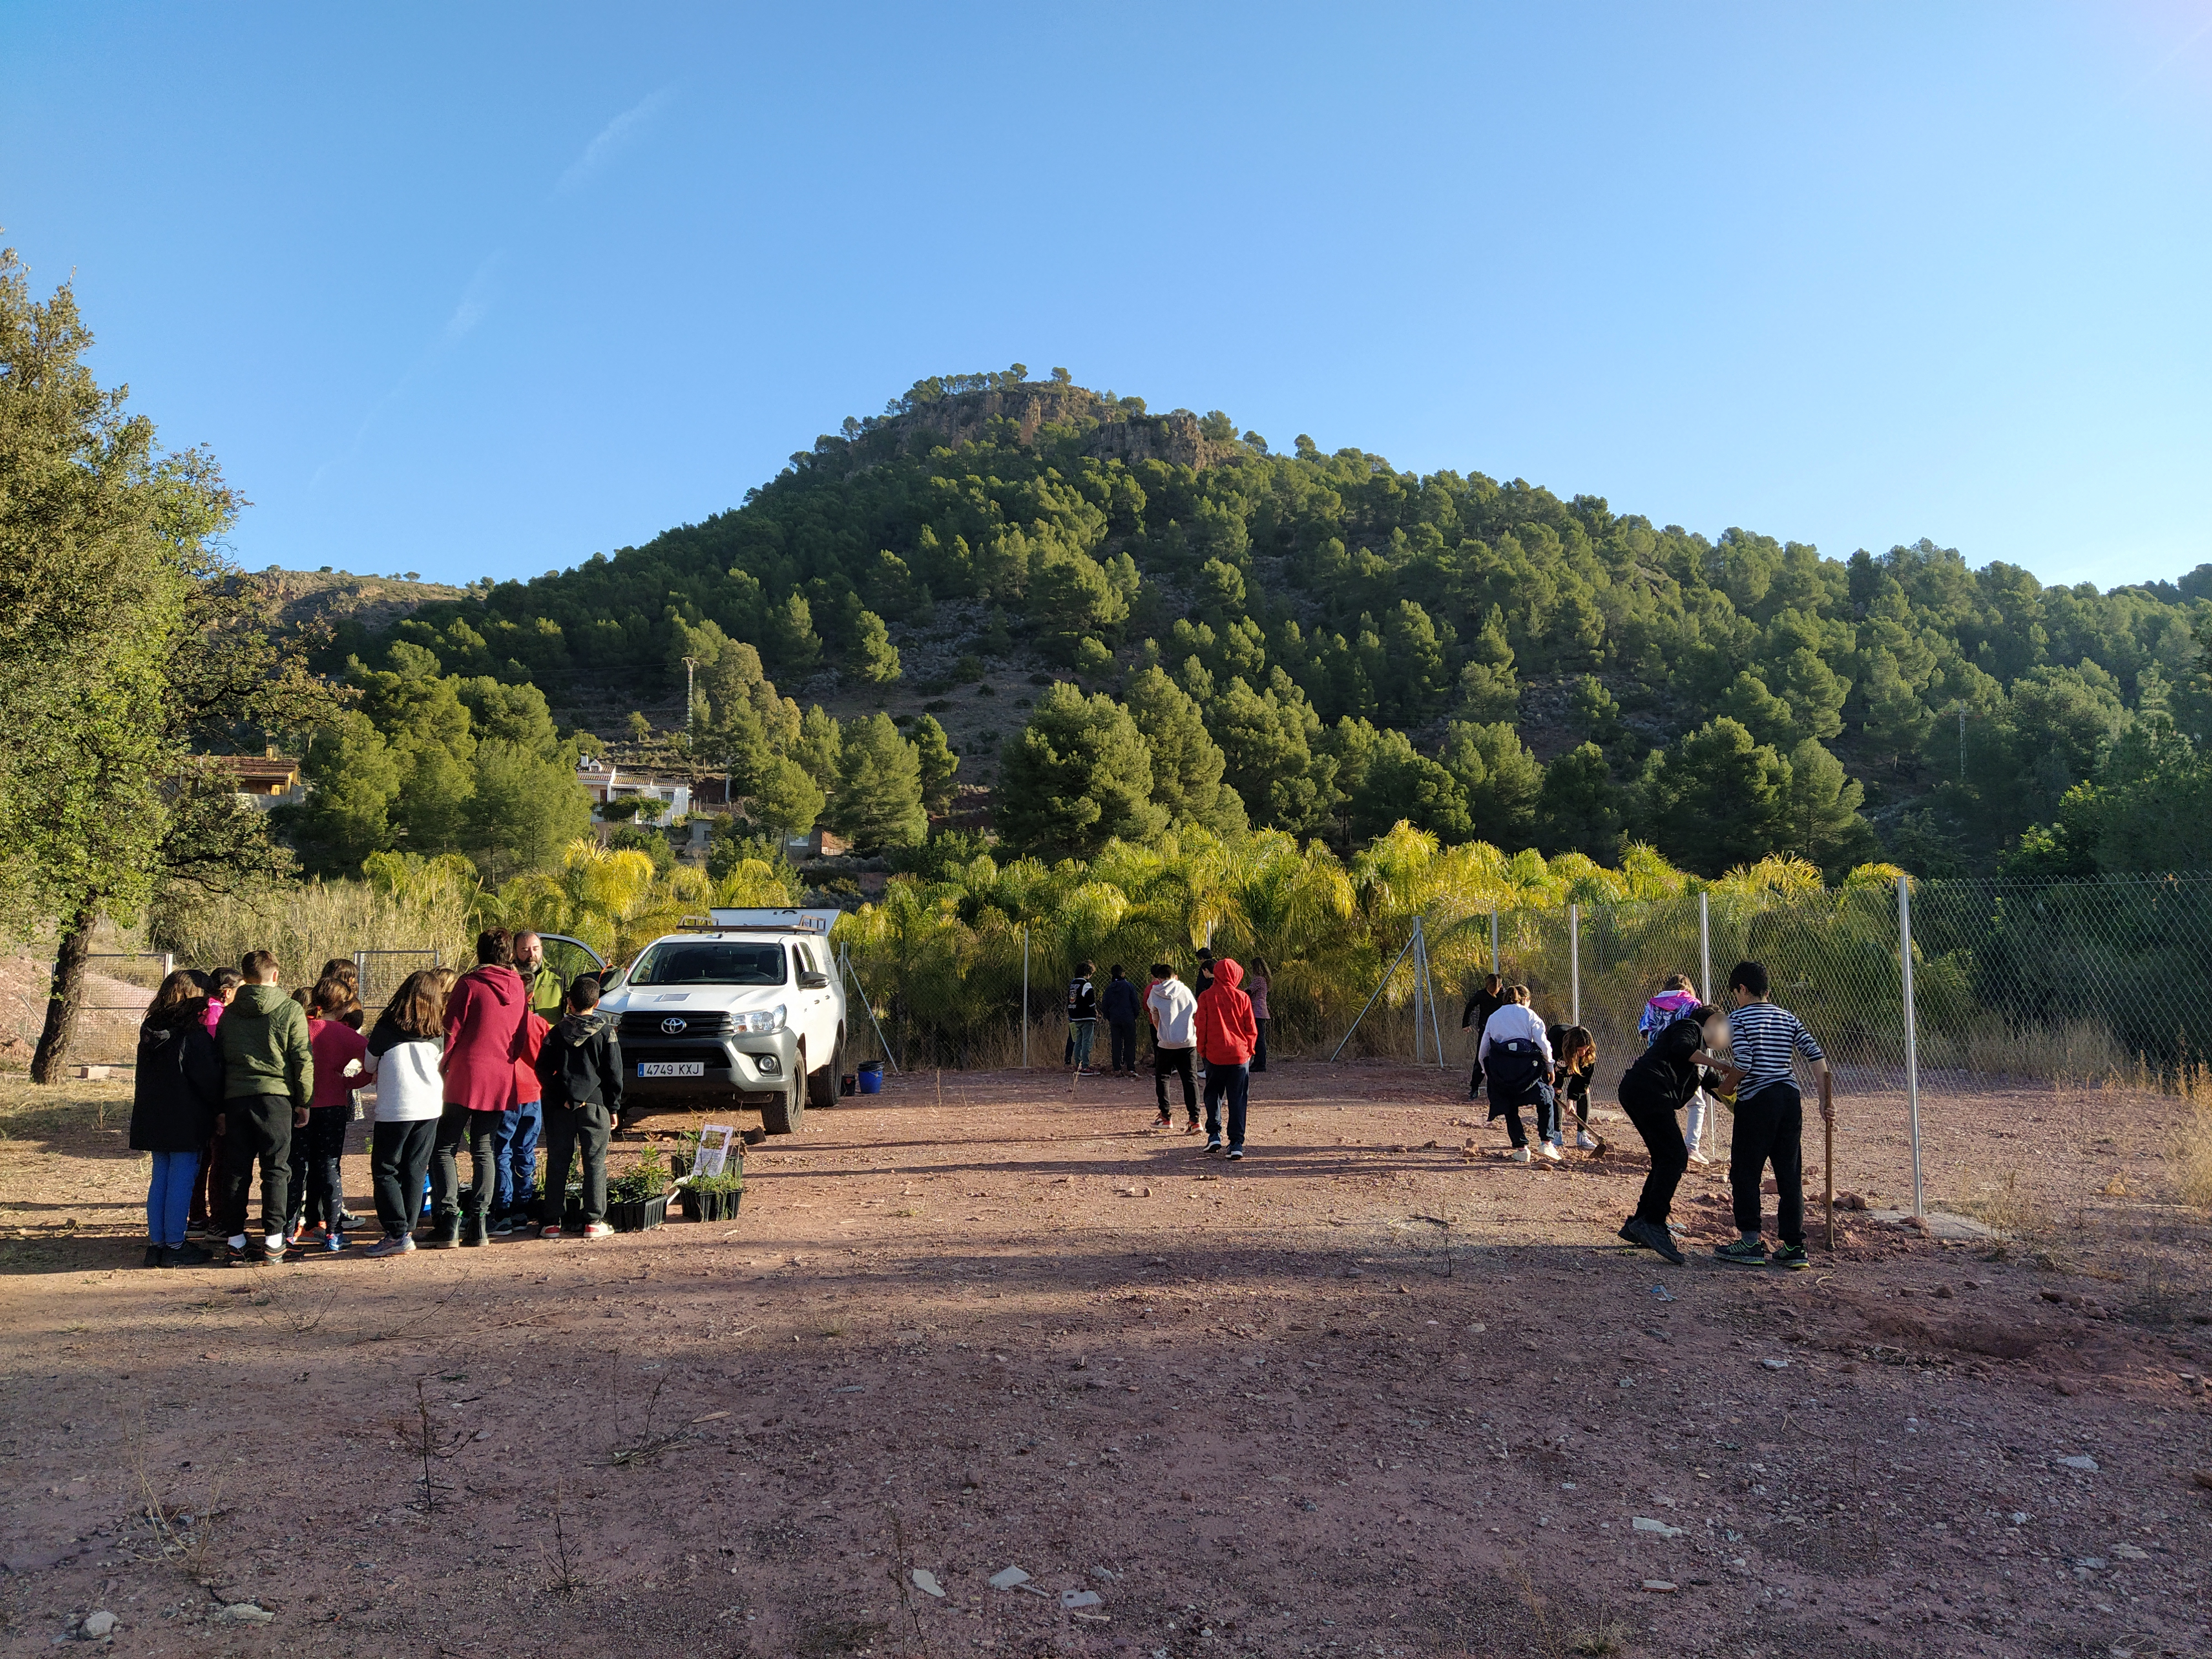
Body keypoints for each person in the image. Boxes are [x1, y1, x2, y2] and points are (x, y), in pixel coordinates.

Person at [1714, 960, 1832, 1270]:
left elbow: (1744, 1061)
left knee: (1746, 1171)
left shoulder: (1735, 1019)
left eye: (1735, 993)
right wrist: (1824, 1101)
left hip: (1757, 1101)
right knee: (1790, 1174)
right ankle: (1794, 1246)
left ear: (1742, 988)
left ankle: (1750, 1242)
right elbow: (1817, 1059)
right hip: (1789, 1099)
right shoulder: (1789, 1018)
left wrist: (1724, 1089)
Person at [1614, 1002, 1741, 1265]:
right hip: (1649, 1088)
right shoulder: (1690, 1027)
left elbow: (1720, 1091)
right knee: (1675, 1158)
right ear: (1712, 1023)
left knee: (1665, 1158)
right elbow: (1681, 1048)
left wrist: (1746, 1110)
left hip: (1641, 1091)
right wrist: (1718, 1063)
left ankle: (1639, 1223)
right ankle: (1653, 1222)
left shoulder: (1701, 1061)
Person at [217, 951, 314, 1265]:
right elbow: (302, 1058)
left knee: (235, 1170)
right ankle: (274, 1241)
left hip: (235, 1098)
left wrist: (219, 1106)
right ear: (275, 976)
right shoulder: (290, 1009)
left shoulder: (229, 1014)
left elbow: (219, 1062)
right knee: (276, 1170)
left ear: (245, 977)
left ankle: (235, 1239)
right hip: (276, 1099)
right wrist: (304, 1100)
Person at [433, 928, 528, 1250]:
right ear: (509, 954)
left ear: (480, 951)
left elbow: (452, 1030)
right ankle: (479, 1224)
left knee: (445, 1145)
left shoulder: (469, 983)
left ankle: (448, 1223)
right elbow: (522, 1035)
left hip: (465, 1072)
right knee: (484, 1148)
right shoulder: (518, 986)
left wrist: (441, 1065)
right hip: (500, 1074)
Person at [130, 970, 223, 1267]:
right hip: (186, 1116)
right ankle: (175, 1245)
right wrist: (220, 1110)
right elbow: (207, 1080)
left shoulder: (151, 1027)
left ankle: (157, 1245)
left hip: (153, 1114)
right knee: (182, 1178)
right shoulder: (192, 1034)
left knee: (161, 1177)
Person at [363, 968, 452, 1258]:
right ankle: (407, 1229)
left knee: (386, 1168)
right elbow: (438, 1060)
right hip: (429, 1105)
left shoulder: (387, 1026)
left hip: (396, 1106)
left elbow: (368, 1065)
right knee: (415, 1167)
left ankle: (396, 1232)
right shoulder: (437, 1030)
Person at [538, 975, 624, 1239]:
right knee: (595, 1163)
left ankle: (551, 1223)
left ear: (569, 1002)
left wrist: (559, 1096)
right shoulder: (606, 1032)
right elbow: (614, 1074)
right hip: (595, 1106)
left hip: (560, 1109)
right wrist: (613, 1106)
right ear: (597, 1002)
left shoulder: (555, 1033)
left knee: (558, 1163)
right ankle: (593, 1222)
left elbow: (541, 1070)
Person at [298, 984, 373, 1251]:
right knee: (329, 1167)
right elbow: (371, 1063)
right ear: (343, 1007)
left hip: (300, 1106)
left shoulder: (300, 1028)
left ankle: (289, 1230)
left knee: (297, 1167)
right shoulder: (345, 1034)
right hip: (333, 1107)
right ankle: (333, 1232)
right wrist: (351, 1082)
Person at [187, 967, 242, 1238]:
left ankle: (196, 1217)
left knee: (200, 1161)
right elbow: (215, 1061)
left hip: (196, 1099)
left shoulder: (196, 1010)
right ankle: (218, 1219)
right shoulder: (218, 1015)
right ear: (228, 991)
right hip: (216, 1097)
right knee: (219, 1160)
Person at [491, 998, 550, 1238]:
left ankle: (503, 1212)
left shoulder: (500, 1023)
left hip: (506, 1094)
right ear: (533, 996)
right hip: (532, 1092)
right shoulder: (539, 1023)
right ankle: (522, 1210)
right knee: (525, 1150)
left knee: (502, 1151)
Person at [1640, 973, 1713, 1164]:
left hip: (1656, 1060)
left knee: (1662, 1104)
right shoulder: (1693, 1003)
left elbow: (1645, 1031)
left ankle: (1662, 1148)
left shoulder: (1654, 1002)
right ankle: (1691, 1148)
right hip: (1685, 1059)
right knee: (1696, 1104)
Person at [1479, 985, 1556, 1163]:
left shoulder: (1494, 1016)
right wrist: (1550, 1066)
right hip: (1527, 1071)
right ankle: (1546, 1143)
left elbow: (1484, 1048)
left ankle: (1522, 1149)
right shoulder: (1530, 1015)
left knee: (1509, 1106)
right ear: (1525, 1000)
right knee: (1545, 1098)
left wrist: (1488, 1073)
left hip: (1503, 1071)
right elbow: (1543, 1044)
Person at [1196, 957, 1259, 1159]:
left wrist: (1203, 1051)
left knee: (1213, 1094)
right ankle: (1237, 1142)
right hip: (1239, 1056)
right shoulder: (1243, 998)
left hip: (1214, 1055)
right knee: (1238, 1098)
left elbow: (1201, 1027)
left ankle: (1214, 1134)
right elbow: (1251, 1029)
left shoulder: (1206, 997)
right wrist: (1249, 1050)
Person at [1146, 962, 1199, 1133]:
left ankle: (1165, 1116)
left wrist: (1163, 1033)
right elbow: (1194, 1011)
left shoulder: (1155, 992)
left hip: (1167, 1043)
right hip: (1188, 1042)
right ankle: (1195, 1120)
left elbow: (1155, 1017)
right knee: (1190, 1079)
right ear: (1175, 976)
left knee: (1163, 1077)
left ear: (1158, 979)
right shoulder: (1185, 990)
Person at [1548, 1023, 1598, 1149]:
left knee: (1584, 1090)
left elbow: (1583, 1079)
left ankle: (1582, 1135)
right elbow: (1547, 1062)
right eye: (1580, 1050)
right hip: (1556, 1066)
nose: (1583, 1053)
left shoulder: (1588, 1054)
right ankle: (1556, 1134)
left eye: (1585, 1049)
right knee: (1555, 1091)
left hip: (1573, 1067)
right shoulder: (1555, 1040)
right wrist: (1554, 1082)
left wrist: (1572, 1099)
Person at [1461, 973, 1506, 1100]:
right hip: (1485, 1031)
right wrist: (1466, 1024)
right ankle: (1474, 1088)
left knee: (1503, 1058)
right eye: (1495, 987)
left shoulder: (1504, 995)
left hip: (1501, 1032)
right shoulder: (1481, 995)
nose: (1497, 989)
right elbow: (1469, 1007)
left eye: (1499, 987)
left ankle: (1502, 1090)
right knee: (1481, 1059)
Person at [1101, 965, 1142, 1079]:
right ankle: (1130, 1067)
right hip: (1128, 1018)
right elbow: (1135, 1002)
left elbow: (1105, 1005)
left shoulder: (1109, 988)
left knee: (1116, 1043)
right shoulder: (1129, 986)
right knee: (1130, 1042)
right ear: (1122, 974)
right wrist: (1134, 1015)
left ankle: (1117, 1068)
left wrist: (1109, 1017)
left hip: (1115, 1019)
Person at [1065, 961, 1100, 1076]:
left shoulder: (1073, 984)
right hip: (1086, 1016)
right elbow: (1091, 1001)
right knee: (1087, 1041)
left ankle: (1078, 1064)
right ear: (1088, 973)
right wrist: (1095, 1011)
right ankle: (1085, 1066)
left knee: (1078, 1041)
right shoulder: (1086, 984)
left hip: (1075, 1017)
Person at [1246, 956, 1273, 1073]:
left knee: (1259, 1038)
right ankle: (1258, 1062)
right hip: (1259, 1010)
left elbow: (1249, 992)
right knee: (1259, 1038)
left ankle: (1260, 1063)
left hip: (1257, 1010)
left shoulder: (1259, 980)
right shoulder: (1264, 980)